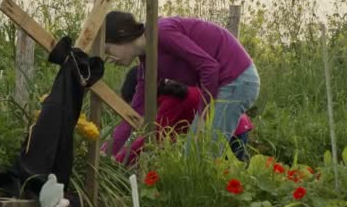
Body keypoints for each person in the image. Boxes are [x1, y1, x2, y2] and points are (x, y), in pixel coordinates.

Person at [103, 11, 260, 158]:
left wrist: (202, 116)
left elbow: (209, 68)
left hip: (236, 78)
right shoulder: (148, 63)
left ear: (121, 35)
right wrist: (105, 153)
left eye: (108, 50)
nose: (108, 58)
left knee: (199, 154)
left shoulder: (161, 32)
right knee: (192, 158)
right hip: (224, 84)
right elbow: (135, 112)